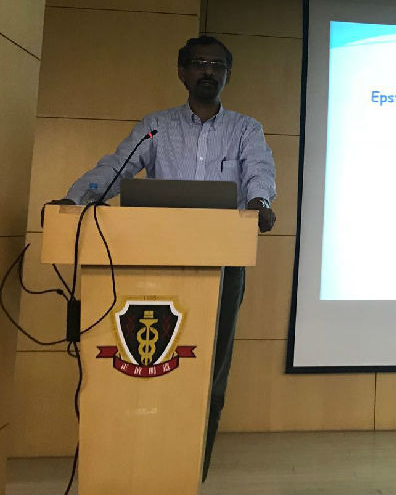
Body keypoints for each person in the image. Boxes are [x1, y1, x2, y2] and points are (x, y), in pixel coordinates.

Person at [51, 35, 276, 480]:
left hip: (223, 261)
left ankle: (192, 472)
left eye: (216, 64)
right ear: (182, 73)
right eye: (199, 63)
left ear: (228, 75)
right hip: (152, 263)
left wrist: (259, 202)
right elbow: (116, 167)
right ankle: (137, 460)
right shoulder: (155, 127)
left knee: (211, 368)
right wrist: (75, 199)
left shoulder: (246, 129)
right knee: (144, 366)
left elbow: (260, 170)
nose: (207, 71)